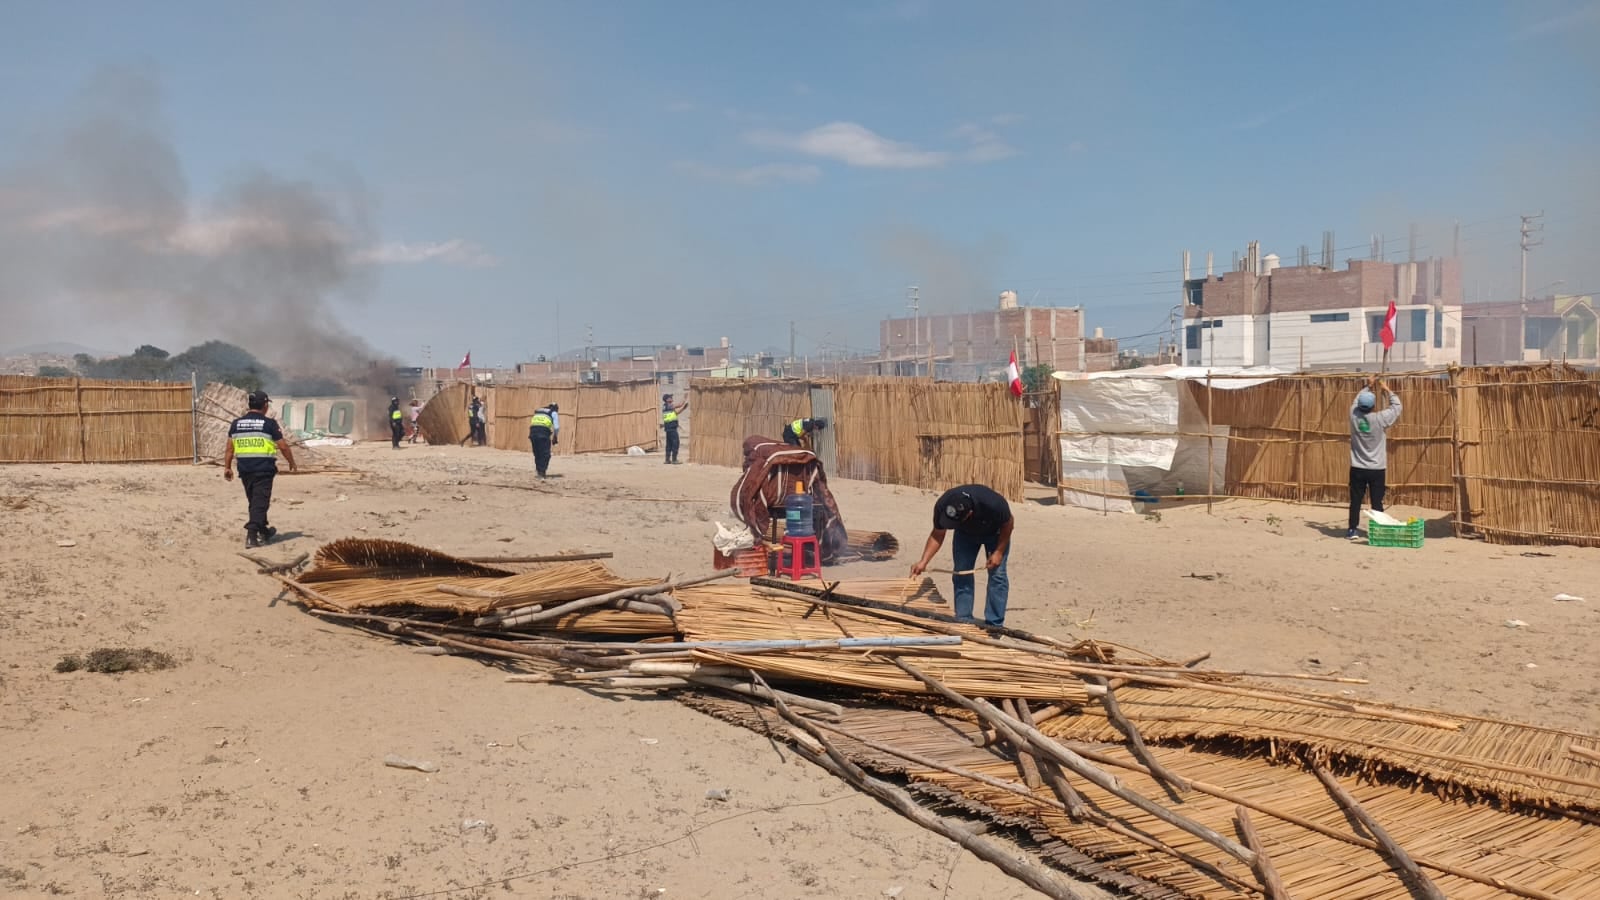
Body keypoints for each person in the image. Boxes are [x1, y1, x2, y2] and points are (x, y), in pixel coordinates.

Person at [910, 484, 1013, 628]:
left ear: (969, 513)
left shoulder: (993, 503)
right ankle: (964, 620)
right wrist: (923, 561)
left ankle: (995, 625)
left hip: (995, 534)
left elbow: (1008, 524)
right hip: (965, 536)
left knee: (997, 575)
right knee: (961, 572)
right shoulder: (943, 504)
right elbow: (937, 534)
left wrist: (998, 552)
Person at [223, 390, 297, 548]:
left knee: (255, 501)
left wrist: (227, 467)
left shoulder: (237, 424)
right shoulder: (269, 424)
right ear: (265, 405)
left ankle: (263, 531)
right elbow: (283, 446)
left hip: (244, 469)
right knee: (260, 502)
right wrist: (291, 461)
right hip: (263, 469)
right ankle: (251, 535)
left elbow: (229, 449)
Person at [1348, 377, 1402, 539]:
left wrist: (1368, 386)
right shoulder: (1380, 419)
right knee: (1377, 502)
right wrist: (1387, 390)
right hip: (1377, 468)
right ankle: (1379, 531)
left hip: (1358, 467)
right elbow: (1397, 407)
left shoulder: (1354, 416)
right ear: (1373, 406)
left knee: (1356, 501)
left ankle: (1352, 530)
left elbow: (1356, 400)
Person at [529, 401, 559, 478]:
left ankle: (539, 471)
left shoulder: (539, 411)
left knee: (537, 453)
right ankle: (542, 472)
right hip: (543, 433)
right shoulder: (554, 412)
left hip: (533, 432)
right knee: (545, 454)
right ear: (555, 408)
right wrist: (555, 437)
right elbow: (556, 427)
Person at [661, 393, 688, 464]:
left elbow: (676, 413)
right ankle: (674, 459)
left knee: (669, 444)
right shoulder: (670, 405)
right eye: (670, 397)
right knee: (675, 443)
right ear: (667, 400)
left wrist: (684, 408)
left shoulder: (665, 407)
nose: (672, 398)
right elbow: (679, 404)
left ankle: (667, 459)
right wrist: (685, 398)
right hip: (672, 428)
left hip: (668, 428)